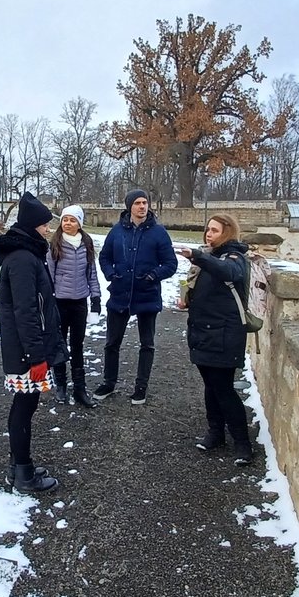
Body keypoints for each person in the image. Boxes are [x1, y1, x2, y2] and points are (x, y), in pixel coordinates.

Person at [0, 192, 65, 493]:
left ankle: (19, 466)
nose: (48, 230)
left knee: (26, 404)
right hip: (25, 350)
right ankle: (22, 472)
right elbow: (26, 311)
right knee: (24, 405)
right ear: (33, 226)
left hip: (26, 347)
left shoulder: (27, 254)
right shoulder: (22, 258)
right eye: (45, 225)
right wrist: (36, 356)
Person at [176, 213, 255, 466]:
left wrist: (198, 255)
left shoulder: (235, 257)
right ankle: (216, 433)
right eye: (207, 229)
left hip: (225, 333)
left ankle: (243, 443)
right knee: (210, 386)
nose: (209, 234)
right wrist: (187, 300)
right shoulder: (208, 256)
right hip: (203, 330)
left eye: (214, 230)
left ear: (227, 232)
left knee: (224, 388)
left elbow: (228, 272)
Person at [94, 188, 177, 404]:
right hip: (120, 294)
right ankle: (109, 382)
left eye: (145, 202)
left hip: (147, 295)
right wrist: (111, 274)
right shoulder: (117, 232)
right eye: (137, 203)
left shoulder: (158, 232)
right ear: (129, 206)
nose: (142, 206)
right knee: (112, 343)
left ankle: (141, 386)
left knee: (146, 343)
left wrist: (152, 276)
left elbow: (171, 264)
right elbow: (104, 257)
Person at [46, 204, 100, 408]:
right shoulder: (56, 244)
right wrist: (49, 301)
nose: (68, 223)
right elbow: (49, 276)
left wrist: (95, 299)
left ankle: (80, 389)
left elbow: (92, 274)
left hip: (79, 303)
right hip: (60, 302)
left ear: (79, 223)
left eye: (73, 220)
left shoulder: (86, 243)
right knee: (60, 345)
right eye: (65, 220)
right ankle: (60, 385)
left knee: (77, 347)